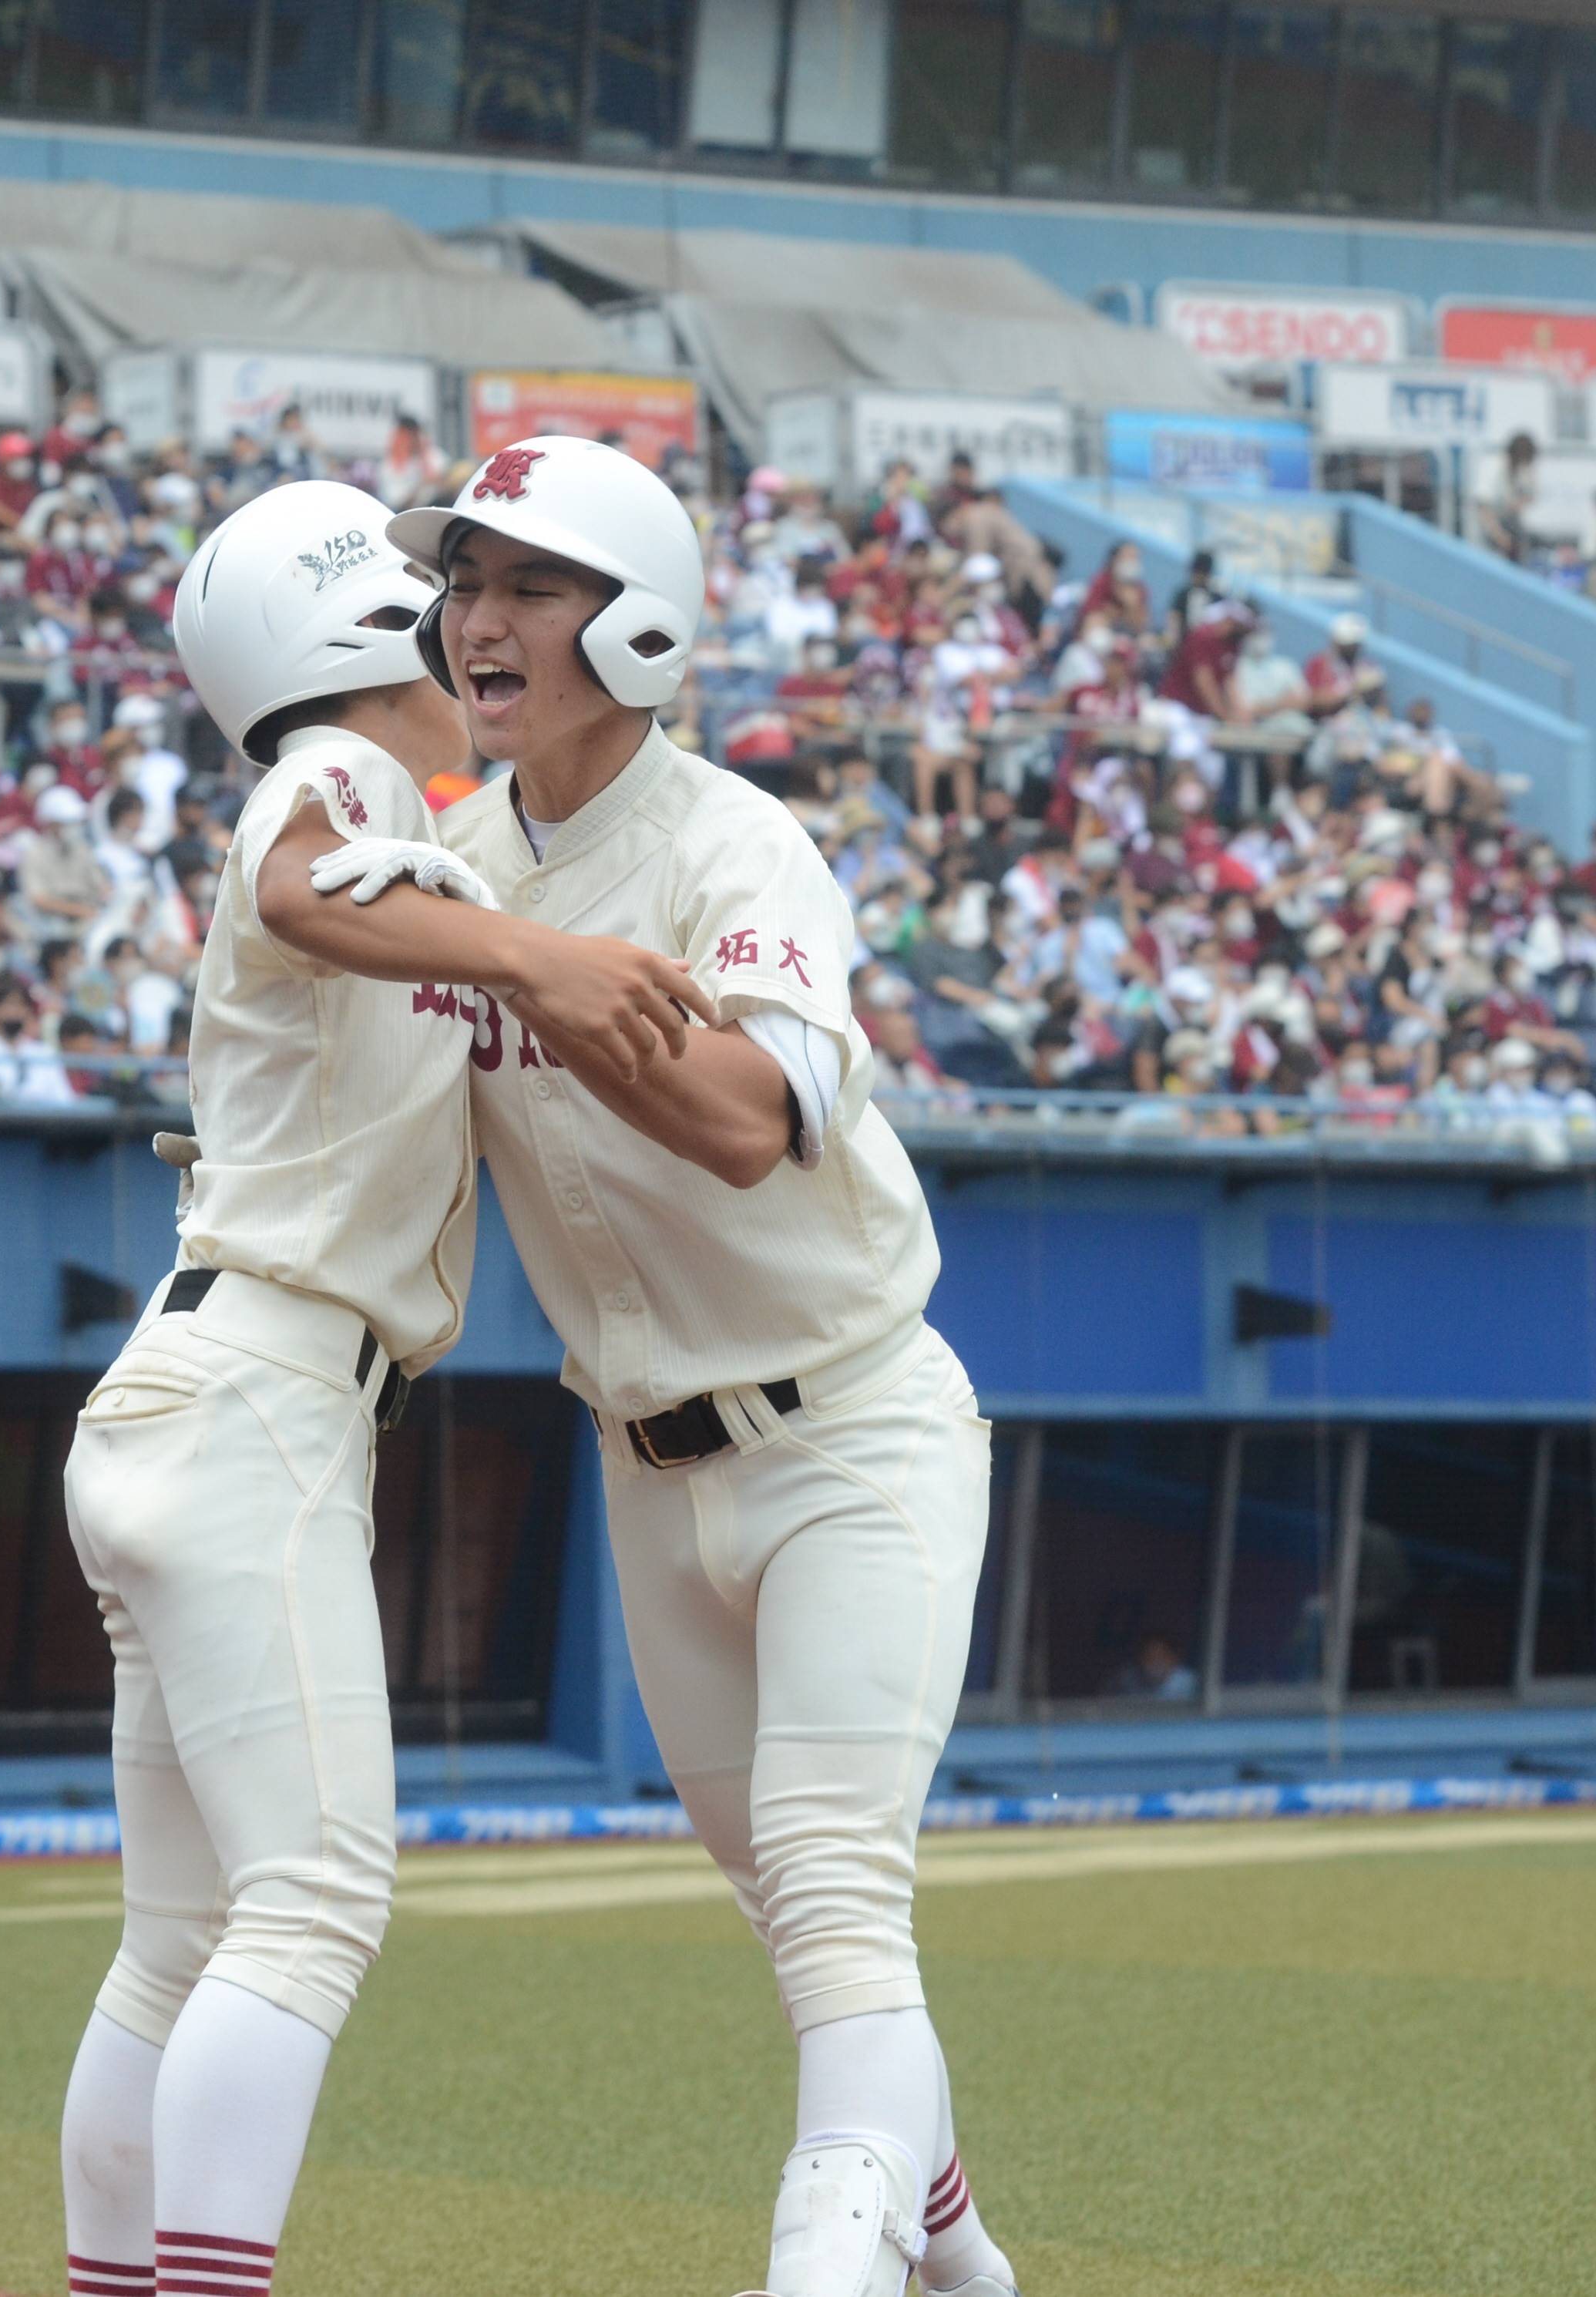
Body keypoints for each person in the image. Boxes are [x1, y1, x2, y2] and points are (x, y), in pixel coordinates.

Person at [51, 481, 711, 2297]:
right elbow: (291, 875)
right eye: (443, 593)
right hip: (257, 1380)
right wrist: (544, 952)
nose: (471, 625)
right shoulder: (334, 773)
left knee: (177, 1932)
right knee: (315, 1895)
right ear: (360, 628)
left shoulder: (394, 814)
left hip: (208, 1385)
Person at [400, 437, 1024, 2297]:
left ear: (641, 620)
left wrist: (516, 964)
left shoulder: (733, 840)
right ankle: (962, 2258)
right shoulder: (453, 860)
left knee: (835, 1892)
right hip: (647, 1470)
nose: (477, 616)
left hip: (849, 1428)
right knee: (796, 1919)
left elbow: (750, 1118)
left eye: (526, 581)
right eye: (464, 579)